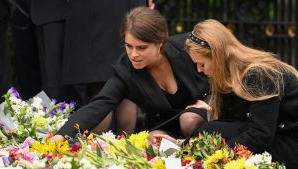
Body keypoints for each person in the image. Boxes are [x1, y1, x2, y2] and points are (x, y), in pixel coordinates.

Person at [151, 19, 298, 168]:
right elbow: (228, 122)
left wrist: (213, 156)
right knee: (211, 130)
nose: (199, 70)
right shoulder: (228, 75)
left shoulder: (259, 73)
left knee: (212, 132)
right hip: (271, 138)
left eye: (201, 64)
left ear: (218, 56)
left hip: (288, 143)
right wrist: (181, 144)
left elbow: (260, 135)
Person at [54, 6, 210, 141]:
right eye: (129, 46)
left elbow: (225, 65)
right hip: (164, 129)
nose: (133, 54)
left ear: (160, 43)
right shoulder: (126, 72)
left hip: (204, 118)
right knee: (152, 140)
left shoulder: (187, 47)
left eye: (141, 48)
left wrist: (212, 102)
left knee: (189, 118)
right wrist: (61, 136)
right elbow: (97, 106)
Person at [61, 0, 148, 135]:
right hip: (125, 9)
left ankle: (94, 150)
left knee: (101, 88)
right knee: (128, 87)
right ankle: (126, 150)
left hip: (96, 12)